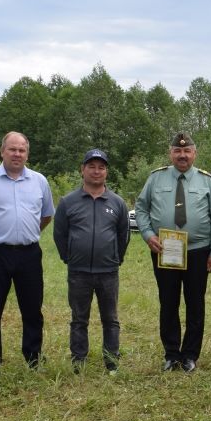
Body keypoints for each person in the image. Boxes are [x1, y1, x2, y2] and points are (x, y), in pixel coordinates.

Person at [0, 131, 55, 377]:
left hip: (29, 254)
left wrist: (28, 233)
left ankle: (33, 356)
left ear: (27, 154)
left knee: (32, 310)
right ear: (2, 151)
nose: (17, 154)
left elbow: (47, 214)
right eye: (12, 149)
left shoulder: (39, 181)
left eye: (22, 150)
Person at [135, 132, 211, 372]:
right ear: (170, 153)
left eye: (187, 151)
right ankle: (172, 354)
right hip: (165, 249)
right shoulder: (155, 178)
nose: (182, 155)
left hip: (198, 251)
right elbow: (141, 209)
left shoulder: (207, 181)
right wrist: (147, 234)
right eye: (177, 151)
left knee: (195, 304)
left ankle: (190, 355)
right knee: (168, 302)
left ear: (194, 153)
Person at [53, 149, 130, 375]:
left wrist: (116, 258)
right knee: (79, 319)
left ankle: (111, 361)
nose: (97, 171)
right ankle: (79, 361)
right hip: (78, 272)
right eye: (92, 166)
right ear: (82, 169)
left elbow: (123, 235)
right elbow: (60, 235)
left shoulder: (117, 202)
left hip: (108, 271)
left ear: (106, 171)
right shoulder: (68, 202)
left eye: (101, 167)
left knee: (111, 319)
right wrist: (70, 258)